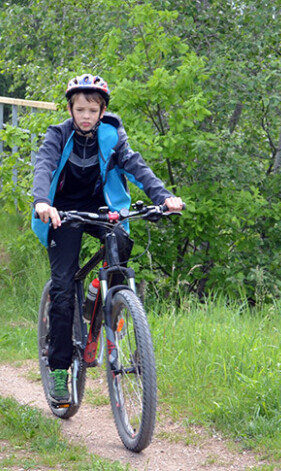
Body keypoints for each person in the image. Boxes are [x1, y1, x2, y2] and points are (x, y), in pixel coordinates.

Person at [31, 74, 183, 403]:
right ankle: (59, 370)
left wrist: (164, 196)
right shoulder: (58, 135)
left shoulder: (112, 136)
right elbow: (43, 165)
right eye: (80, 109)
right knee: (61, 289)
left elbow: (136, 167)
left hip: (103, 207)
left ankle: (107, 306)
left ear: (102, 112)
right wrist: (42, 201)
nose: (86, 116)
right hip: (63, 212)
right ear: (70, 109)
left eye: (93, 110)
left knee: (121, 245)